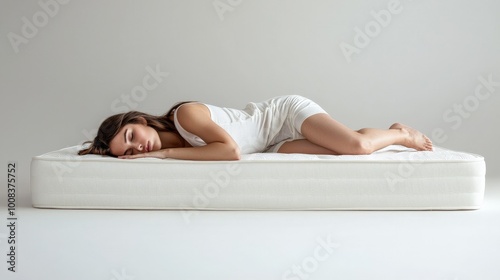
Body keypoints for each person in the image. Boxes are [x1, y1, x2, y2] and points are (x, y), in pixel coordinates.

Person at [78, 95, 433, 160]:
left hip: (282, 116)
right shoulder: (183, 148)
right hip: (269, 146)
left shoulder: (184, 116)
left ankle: (402, 133)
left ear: (137, 120)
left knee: (357, 147)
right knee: (345, 150)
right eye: (129, 152)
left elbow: (230, 151)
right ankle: (374, 132)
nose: (137, 148)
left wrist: (165, 154)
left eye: (131, 137)